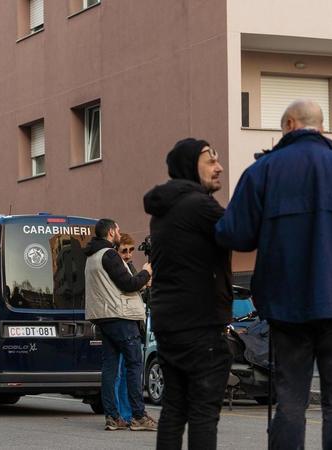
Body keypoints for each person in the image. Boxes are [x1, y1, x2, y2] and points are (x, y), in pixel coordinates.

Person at [215, 100, 332, 449]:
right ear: (322, 127)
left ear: (288, 123)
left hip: (286, 303)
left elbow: (234, 234)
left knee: (290, 401)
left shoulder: (263, 170)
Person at [143, 137, 233, 449]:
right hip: (199, 324)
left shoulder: (164, 210)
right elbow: (239, 231)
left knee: (174, 408)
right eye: (210, 160)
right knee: (203, 411)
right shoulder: (198, 205)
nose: (219, 167)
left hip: (169, 322)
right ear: (189, 166)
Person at [83, 219, 156, 431]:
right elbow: (128, 283)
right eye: (117, 229)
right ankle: (138, 416)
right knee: (134, 363)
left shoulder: (91, 257)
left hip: (103, 316)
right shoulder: (109, 254)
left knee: (110, 367)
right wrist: (146, 272)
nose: (119, 232)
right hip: (120, 316)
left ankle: (113, 417)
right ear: (111, 232)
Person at [113, 232, 140, 424]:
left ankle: (126, 412)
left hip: (132, 321)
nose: (129, 254)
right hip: (120, 321)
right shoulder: (116, 267)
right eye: (125, 250)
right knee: (119, 372)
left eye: (131, 250)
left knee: (126, 371)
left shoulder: (129, 267)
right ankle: (120, 413)